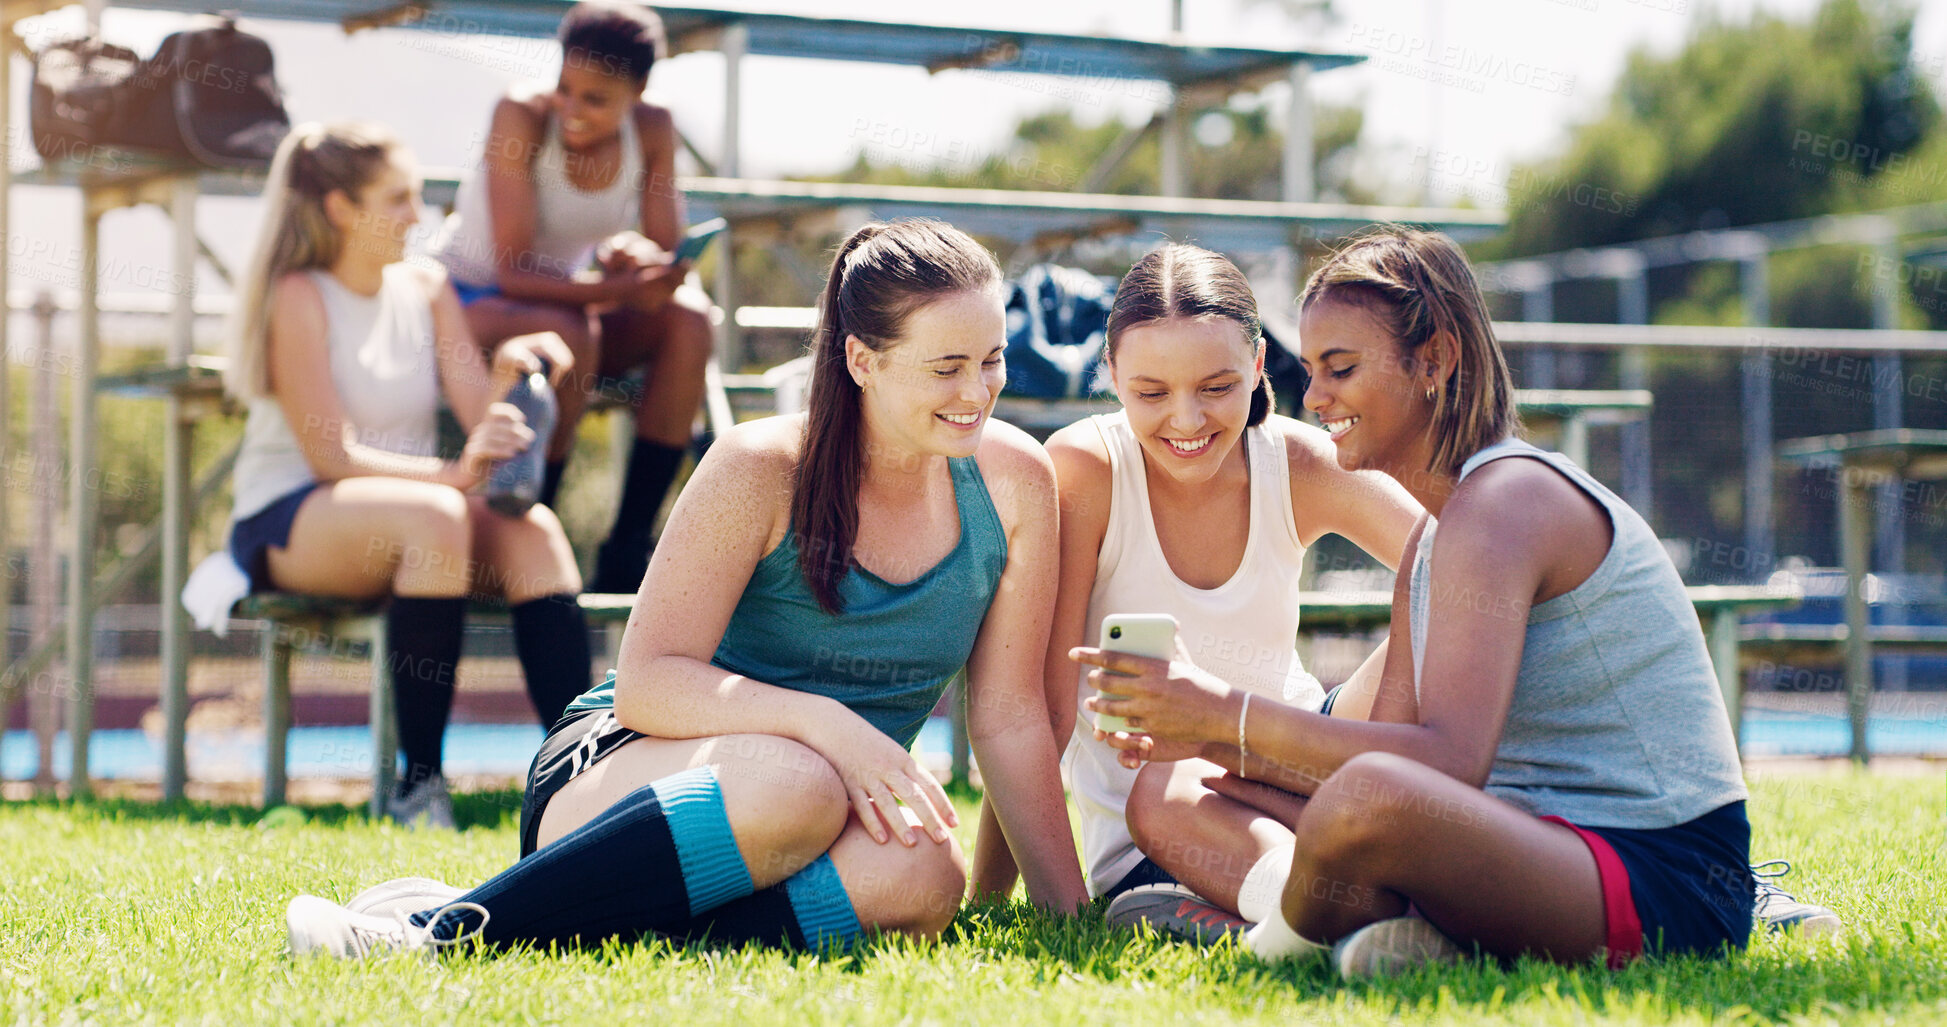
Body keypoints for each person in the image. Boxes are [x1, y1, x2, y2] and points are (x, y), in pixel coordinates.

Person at [285, 219, 1089, 957]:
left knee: (923, 872)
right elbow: (647, 683)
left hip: (818, 815)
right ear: (860, 360)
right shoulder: (757, 465)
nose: (977, 391)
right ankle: (438, 933)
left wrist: (1067, 915)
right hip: (629, 775)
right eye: (946, 367)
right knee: (793, 780)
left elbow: (1012, 715)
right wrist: (825, 725)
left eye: (991, 360)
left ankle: (567, 923)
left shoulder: (1017, 479)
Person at [1079, 226, 1760, 977]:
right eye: (1309, 371)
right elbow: (1386, 753)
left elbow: (1443, 763)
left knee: (1370, 797)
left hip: (1656, 878)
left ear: (1432, 359)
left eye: (1339, 369)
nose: (1315, 398)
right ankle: (1401, 937)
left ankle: (1268, 946)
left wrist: (1223, 712)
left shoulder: (1505, 500)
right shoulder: (1435, 540)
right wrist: (1202, 739)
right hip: (1527, 843)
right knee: (1171, 788)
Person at [966, 244, 1422, 935]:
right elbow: (1043, 710)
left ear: (1259, 365)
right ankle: (1315, 911)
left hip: (1294, 775)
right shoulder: (1085, 469)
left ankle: (1306, 910)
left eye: (1216, 388)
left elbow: (1451, 564)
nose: (1185, 421)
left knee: (1440, 606)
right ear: (1112, 375)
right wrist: (993, 902)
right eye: (1151, 393)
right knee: (1173, 771)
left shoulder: (1296, 459)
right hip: (1167, 830)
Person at [222, 122, 591, 829]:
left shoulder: (426, 286)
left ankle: (578, 781)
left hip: (421, 516)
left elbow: (479, 412)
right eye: (397, 198)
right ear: (339, 208)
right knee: (439, 519)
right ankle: (419, 787)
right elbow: (332, 458)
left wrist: (516, 368)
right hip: (291, 516)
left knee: (535, 533)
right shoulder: (299, 294)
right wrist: (457, 475)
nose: (416, 216)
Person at [429, 0, 714, 593]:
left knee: (689, 321)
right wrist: (622, 285)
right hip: (468, 302)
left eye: (595, 99)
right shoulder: (519, 113)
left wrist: (634, 257)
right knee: (569, 331)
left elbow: (664, 251)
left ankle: (629, 546)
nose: (572, 110)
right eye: (565, 87)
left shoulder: (654, 128)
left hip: (563, 303)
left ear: (637, 92)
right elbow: (511, 273)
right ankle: (533, 529)